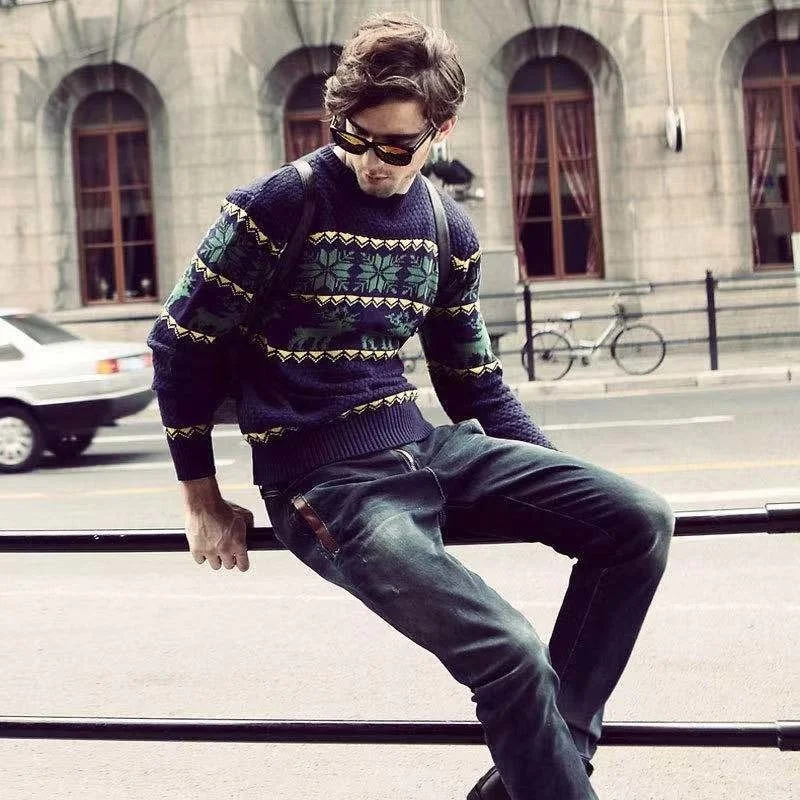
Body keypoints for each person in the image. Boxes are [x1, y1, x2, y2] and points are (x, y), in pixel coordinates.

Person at [148, 11, 673, 800]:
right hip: (326, 485)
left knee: (639, 519)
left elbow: (474, 382)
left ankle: (538, 770)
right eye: (352, 138)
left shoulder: (446, 229)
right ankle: (547, 776)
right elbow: (179, 343)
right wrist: (201, 498)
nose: (370, 163)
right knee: (509, 652)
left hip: (422, 449)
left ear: (441, 129)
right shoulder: (276, 207)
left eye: (395, 146)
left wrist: (559, 484)